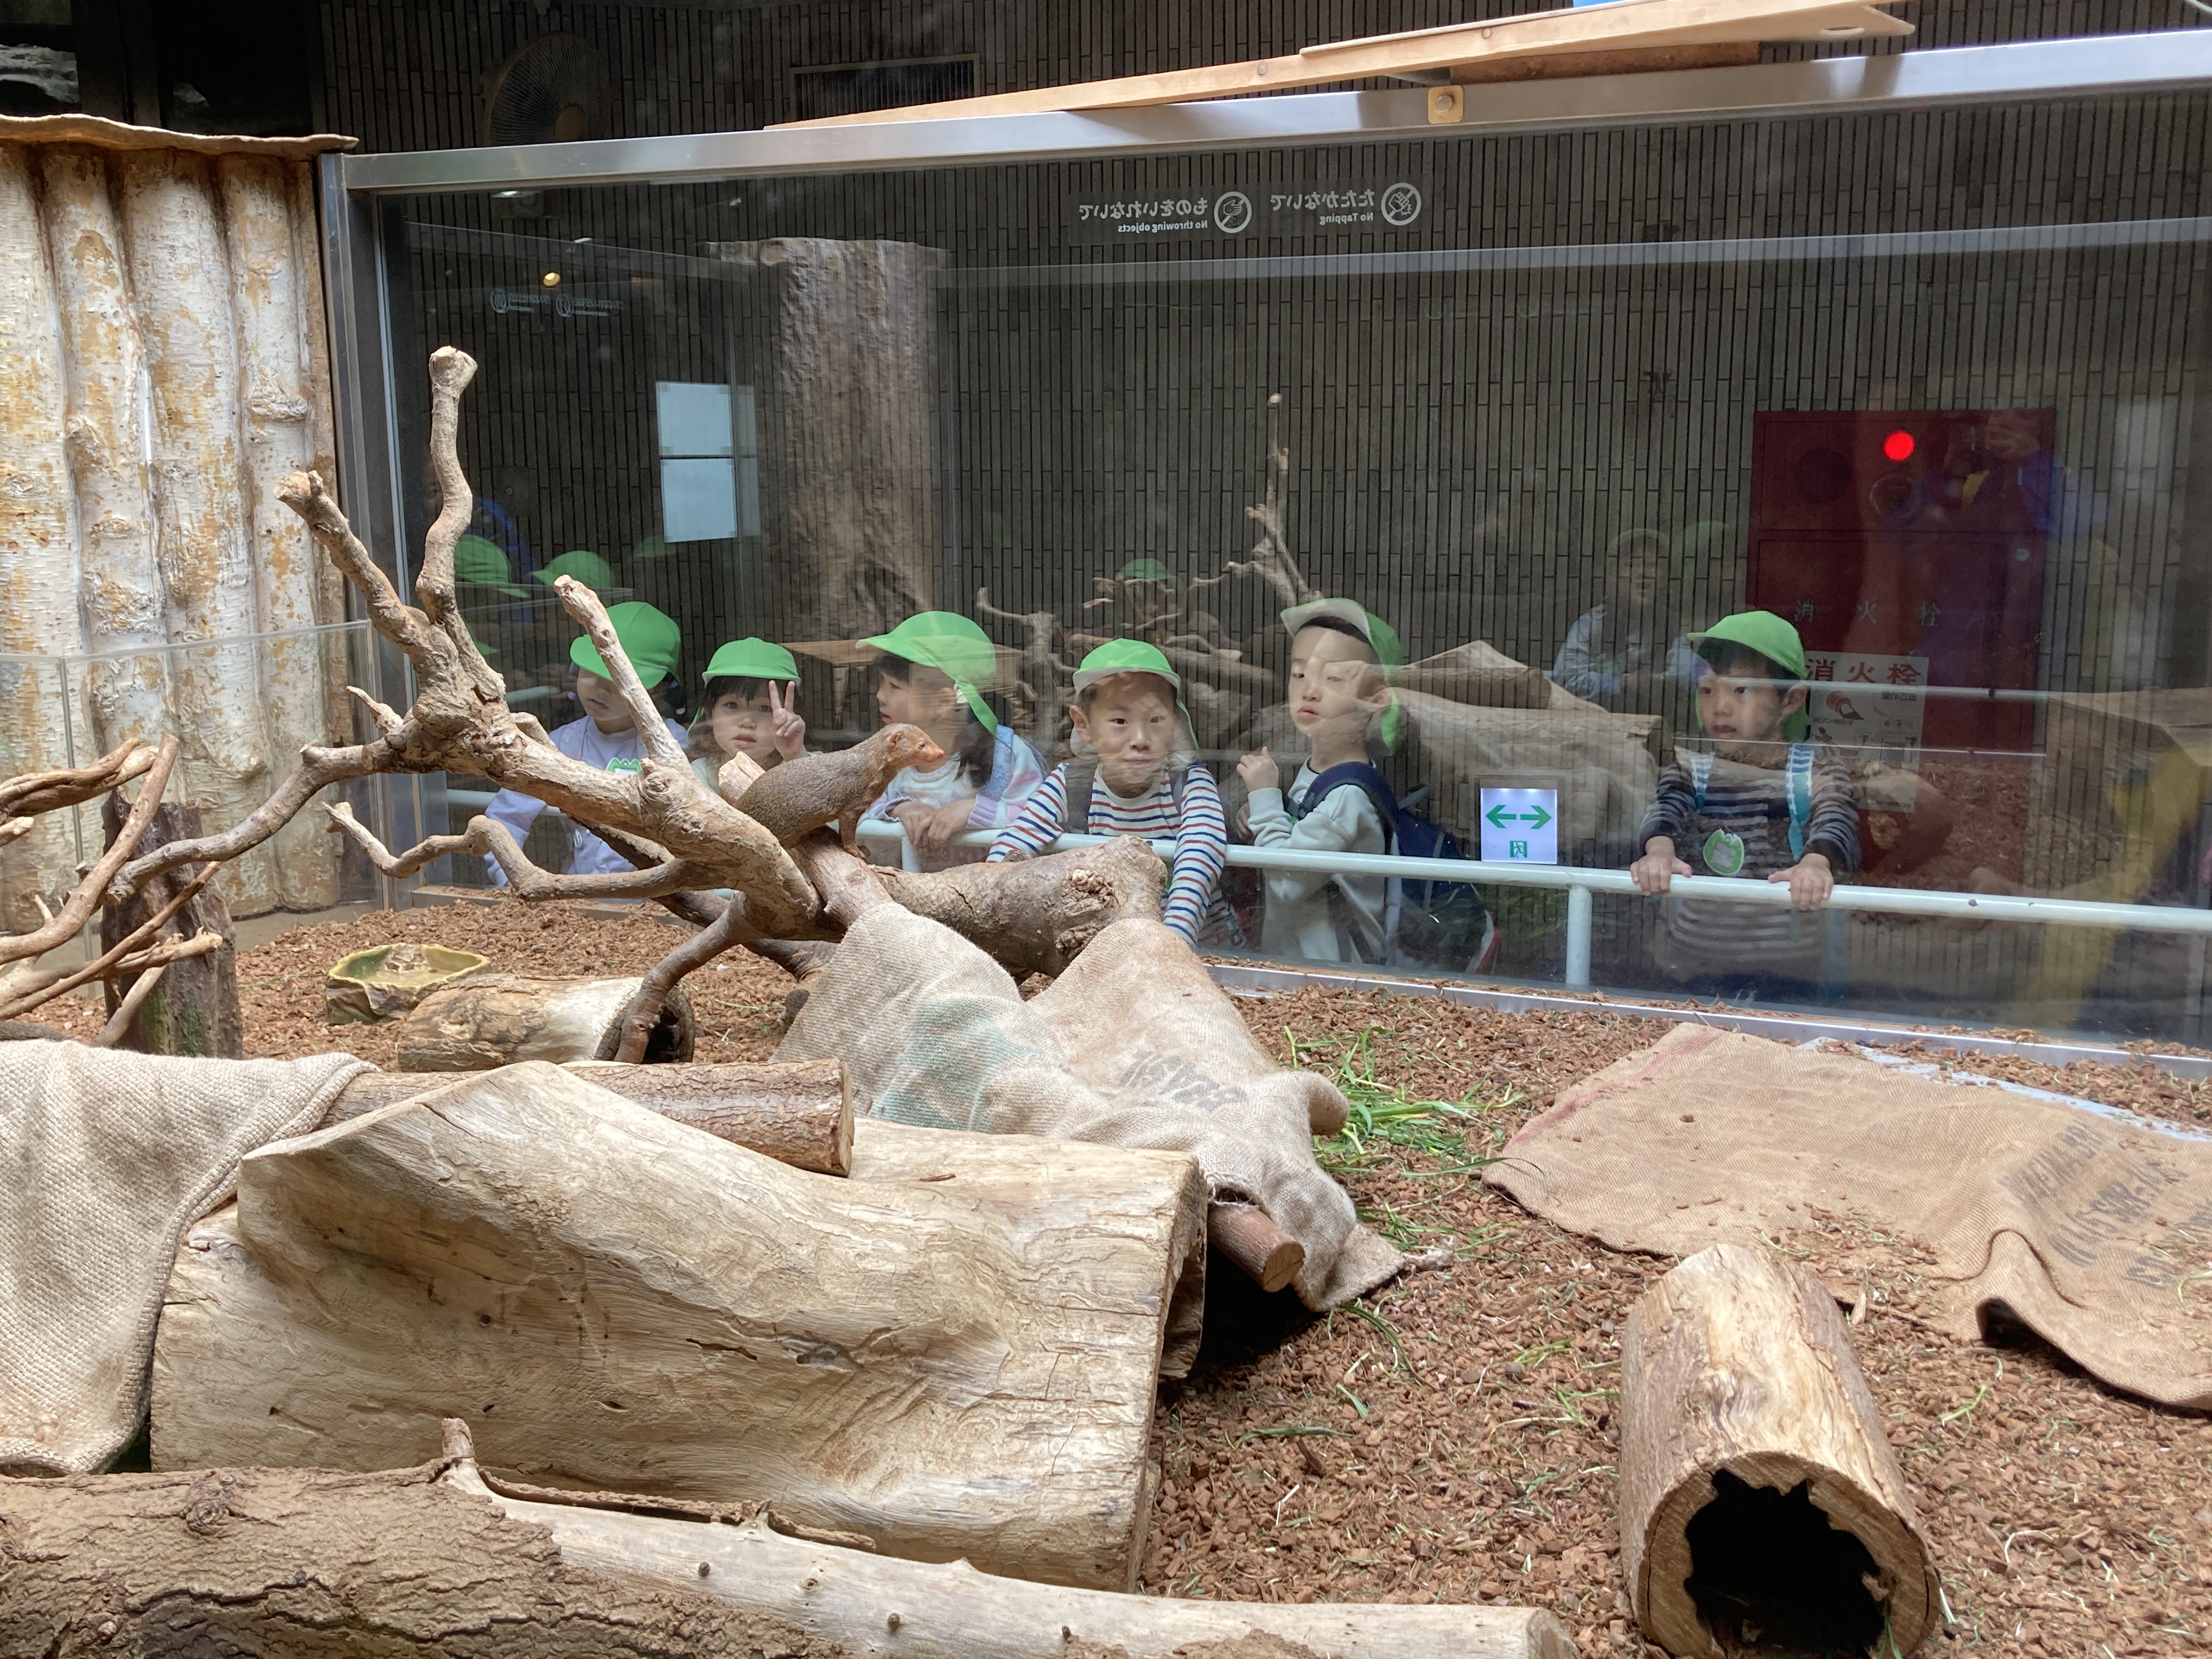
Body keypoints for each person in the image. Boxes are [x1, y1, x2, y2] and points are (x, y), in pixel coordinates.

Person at [1629, 611, 1861, 1001]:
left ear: (1791, 700)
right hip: (1694, 969)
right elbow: (1666, 809)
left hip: (1788, 973)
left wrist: (1815, 863)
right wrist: (1659, 853)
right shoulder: (1691, 771)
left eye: (1742, 690)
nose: (1721, 707)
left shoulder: (1816, 772)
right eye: (1708, 690)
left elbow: (1836, 817)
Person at [988, 640, 1227, 943]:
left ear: (1175, 723)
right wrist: (989, 904)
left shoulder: (1189, 784)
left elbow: (1201, 854)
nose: (1141, 739)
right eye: (1120, 721)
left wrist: (1173, 941)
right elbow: (1014, 845)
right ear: (1083, 724)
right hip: (1113, 948)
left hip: (1200, 947)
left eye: (1156, 720)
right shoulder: (1072, 785)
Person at [1235, 599, 1396, 963]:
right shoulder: (1316, 771)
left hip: (1330, 978)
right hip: (1298, 968)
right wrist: (1260, 813)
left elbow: (1287, 884)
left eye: (1334, 678)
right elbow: (1297, 837)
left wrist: (1265, 800)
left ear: (1376, 700)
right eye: (1300, 674)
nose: (1310, 690)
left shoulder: (1348, 796)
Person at [480, 601, 685, 887]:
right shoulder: (561, 743)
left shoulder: (676, 748)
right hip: (579, 900)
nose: (599, 688)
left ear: (657, 687)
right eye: (590, 671)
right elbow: (506, 817)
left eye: (616, 678)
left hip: (660, 902)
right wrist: (514, 882)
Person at [862, 611, 1045, 867]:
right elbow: (860, 803)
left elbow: (1043, 817)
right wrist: (900, 808)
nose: (880, 696)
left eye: (894, 686)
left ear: (942, 702)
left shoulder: (1006, 755)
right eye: (882, 683)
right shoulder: (889, 751)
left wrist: (974, 811)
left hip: (986, 888)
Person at [1551, 528, 1700, 710]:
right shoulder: (1591, 625)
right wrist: (1622, 684)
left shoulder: (1669, 626)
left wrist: (1660, 682)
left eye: (1653, 565)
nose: (1643, 573)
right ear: (1612, 577)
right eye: (1631, 565)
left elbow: (1693, 671)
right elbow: (1563, 681)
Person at [690, 637, 808, 791]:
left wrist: (796, 757)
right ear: (709, 714)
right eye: (732, 705)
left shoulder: (811, 765)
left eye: (765, 708)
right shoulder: (695, 777)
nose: (747, 722)